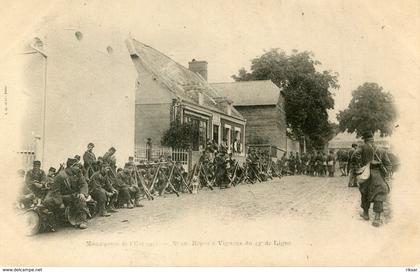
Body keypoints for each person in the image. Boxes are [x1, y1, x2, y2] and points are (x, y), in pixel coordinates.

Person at [353, 131, 392, 227]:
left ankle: (366, 214)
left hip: (366, 175)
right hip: (378, 176)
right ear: (373, 139)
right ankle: (377, 219)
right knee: (379, 194)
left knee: (365, 193)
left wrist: (360, 166)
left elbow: (354, 155)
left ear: (365, 139)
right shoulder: (381, 149)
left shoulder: (362, 147)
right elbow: (388, 164)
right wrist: (385, 173)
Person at [49, 158, 90, 229]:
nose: (79, 168)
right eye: (77, 166)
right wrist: (60, 203)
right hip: (63, 196)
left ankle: (82, 220)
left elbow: (84, 184)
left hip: (73, 195)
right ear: (71, 166)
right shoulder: (61, 176)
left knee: (81, 198)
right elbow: (55, 191)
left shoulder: (78, 174)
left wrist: (82, 193)